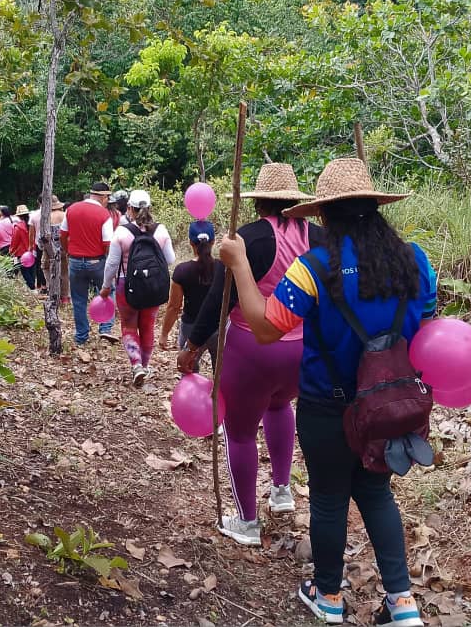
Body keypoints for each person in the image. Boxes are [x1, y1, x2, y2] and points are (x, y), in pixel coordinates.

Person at [218, 158, 437, 627]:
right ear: (376, 207)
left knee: (329, 498)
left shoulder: (313, 268)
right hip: (391, 405)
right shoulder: (415, 260)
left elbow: (265, 327)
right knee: (376, 493)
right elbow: (429, 328)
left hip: (327, 406)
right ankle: (402, 603)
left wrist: (239, 265)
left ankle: (329, 596)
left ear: (322, 214)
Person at [177, 163, 321, 547]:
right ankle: (282, 490)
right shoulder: (320, 237)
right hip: (302, 349)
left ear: (258, 202)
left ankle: (246, 521)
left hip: (251, 350)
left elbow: (219, 300)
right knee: (280, 405)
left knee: (239, 432)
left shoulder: (246, 240)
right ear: (295, 202)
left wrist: (192, 347)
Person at [100, 190, 175, 386]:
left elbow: (111, 264)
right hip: (153, 286)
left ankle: (137, 365)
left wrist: (106, 287)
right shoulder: (161, 231)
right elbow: (170, 259)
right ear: (149, 208)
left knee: (129, 326)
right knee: (148, 326)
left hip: (126, 286)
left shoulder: (121, 232)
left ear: (129, 209)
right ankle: (146, 365)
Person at [61, 183, 116, 345]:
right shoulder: (104, 214)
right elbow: (108, 243)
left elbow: (63, 234)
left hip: (75, 261)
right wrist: (107, 260)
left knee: (78, 299)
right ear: (103, 197)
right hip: (97, 261)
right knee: (107, 292)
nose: (107, 201)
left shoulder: (71, 209)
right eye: (107, 198)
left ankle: (81, 335)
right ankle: (105, 328)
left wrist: (67, 251)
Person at [159, 220, 219, 371]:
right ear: (213, 241)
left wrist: (164, 334)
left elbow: (174, 307)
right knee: (222, 374)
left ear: (190, 243)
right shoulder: (224, 268)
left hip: (191, 329)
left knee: (189, 372)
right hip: (219, 327)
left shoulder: (182, 271)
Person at [11, 204, 36, 289]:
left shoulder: (18, 227)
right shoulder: (32, 224)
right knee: (32, 270)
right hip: (32, 251)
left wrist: (11, 251)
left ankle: (32, 287)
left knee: (25, 271)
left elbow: (15, 241)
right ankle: (34, 286)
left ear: (18, 216)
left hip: (21, 253)